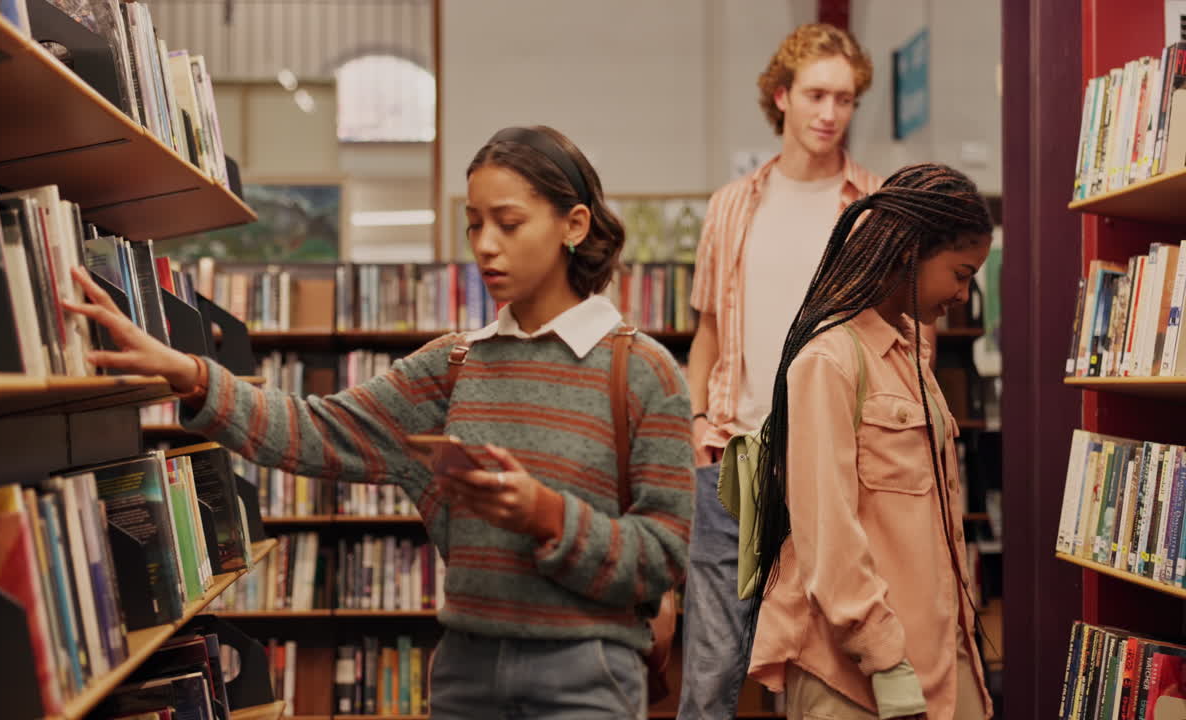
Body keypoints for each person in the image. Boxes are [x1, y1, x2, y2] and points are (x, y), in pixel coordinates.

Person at [64, 125, 694, 720]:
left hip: (588, 672)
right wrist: (191, 374)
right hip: (464, 671)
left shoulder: (642, 373)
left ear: (573, 225)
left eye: (508, 223)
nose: (484, 245)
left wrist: (548, 517)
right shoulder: (453, 364)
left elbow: (664, 556)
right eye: (474, 224)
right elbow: (316, 430)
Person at [680, 22, 888, 719]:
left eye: (846, 99)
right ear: (782, 96)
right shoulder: (731, 206)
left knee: (817, 678)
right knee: (711, 676)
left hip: (834, 468)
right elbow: (707, 328)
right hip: (733, 461)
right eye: (817, 95)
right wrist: (697, 425)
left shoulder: (874, 209)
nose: (831, 113)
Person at [745, 163, 994, 720]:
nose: (963, 292)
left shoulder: (913, 357)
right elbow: (828, 536)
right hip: (860, 678)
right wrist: (886, 660)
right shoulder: (828, 360)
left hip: (943, 660)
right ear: (910, 251)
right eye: (960, 272)